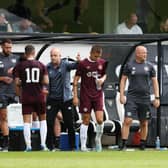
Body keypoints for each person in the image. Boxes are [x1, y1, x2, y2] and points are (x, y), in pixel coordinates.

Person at [119, 45, 160, 150]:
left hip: (145, 99)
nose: (145, 55)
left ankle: (142, 144)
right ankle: (123, 144)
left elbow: (155, 82)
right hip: (132, 98)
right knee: (127, 120)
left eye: (146, 53)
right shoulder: (129, 65)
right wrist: (122, 94)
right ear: (137, 53)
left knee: (144, 122)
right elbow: (123, 80)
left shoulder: (150, 66)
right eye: (143, 53)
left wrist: (157, 97)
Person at [13, 45, 49, 151]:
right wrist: (38, 81)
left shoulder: (19, 66)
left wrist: (19, 92)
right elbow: (46, 81)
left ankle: (28, 145)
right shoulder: (41, 65)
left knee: (26, 122)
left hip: (26, 96)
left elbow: (17, 83)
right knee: (43, 120)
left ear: (25, 53)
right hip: (39, 96)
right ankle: (43, 144)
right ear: (34, 53)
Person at [73, 45, 107, 152]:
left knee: (100, 119)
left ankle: (98, 139)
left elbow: (105, 74)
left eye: (99, 56)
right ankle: (83, 145)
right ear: (91, 53)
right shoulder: (83, 63)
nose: (97, 58)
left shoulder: (102, 63)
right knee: (86, 120)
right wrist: (75, 96)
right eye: (96, 56)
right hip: (85, 95)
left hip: (98, 95)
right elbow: (76, 79)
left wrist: (102, 79)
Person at [46, 48, 80, 151]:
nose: (53, 57)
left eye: (55, 55)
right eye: (52, 55)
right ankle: (50, 146)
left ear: (60, 56)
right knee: (49, 122)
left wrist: (78, 61)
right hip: (52, 99)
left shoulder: (66, 64)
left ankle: (73, 146)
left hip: (66, 100)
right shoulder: (47, 67)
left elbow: (76, 66)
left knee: (69, 123)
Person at [0, 39, 19, 151]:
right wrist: (2, 78)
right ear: (2, 46)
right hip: (2, 93)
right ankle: (6, 143)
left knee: (15, 118)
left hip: (14, 92)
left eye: (10, 47)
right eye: (7, 47)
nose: (9, 50)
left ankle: (17, 142)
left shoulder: (16, 59)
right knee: (3, 117)